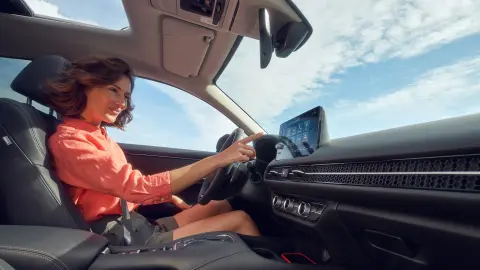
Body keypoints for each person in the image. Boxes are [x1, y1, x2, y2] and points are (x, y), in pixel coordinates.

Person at [46, 56, 263, 245]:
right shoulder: (71, 141)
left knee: (220, 205)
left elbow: (120, 191)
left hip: (135, 225)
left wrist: (169, 198)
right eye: (114, 90)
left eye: (126, 96)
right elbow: (133, 187)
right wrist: (217, 160)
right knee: (240, 220)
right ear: (85, 86)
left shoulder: (97, 134)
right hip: (120, 238)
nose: (122, 103)